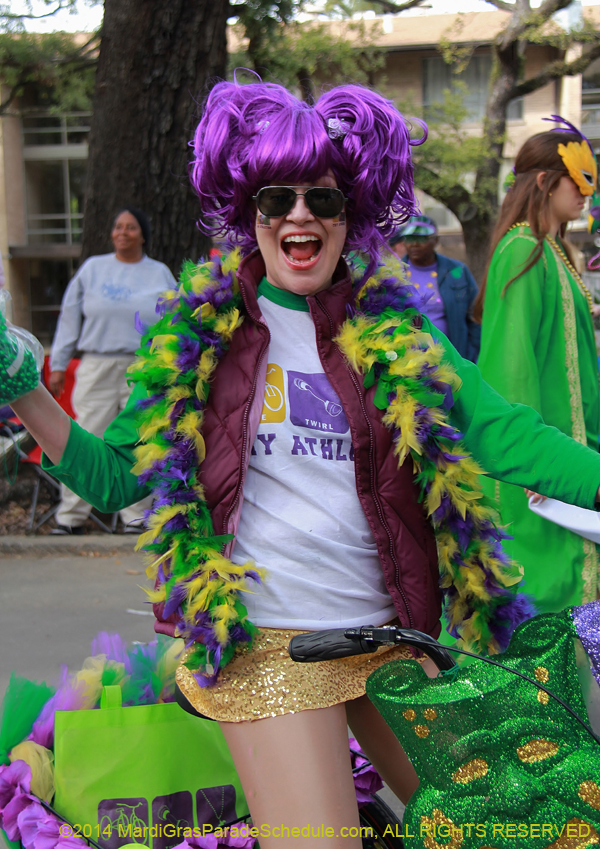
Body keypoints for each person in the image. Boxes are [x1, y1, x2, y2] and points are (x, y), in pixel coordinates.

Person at [5, 81, 600, 846]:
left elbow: (502, 432)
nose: (299, 216)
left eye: (322, 199)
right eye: (275, 199)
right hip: (267, 648)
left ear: (350, 214)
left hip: (390, 638)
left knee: (505, 825)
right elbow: (117, 477)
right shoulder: (198, 339)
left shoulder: (398, 332)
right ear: (247, 214)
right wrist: (23, 390)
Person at [474, 120, 600, 614]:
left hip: (571, 451)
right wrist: (533, 462)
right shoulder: (523, 250)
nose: (588, 193)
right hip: (541, 465)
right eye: (580, 180)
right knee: (546, 599)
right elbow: (511, 366)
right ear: (546, 181)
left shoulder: (552, 250)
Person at [48, 207, 176, 535]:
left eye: (131, 227)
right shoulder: (93, 269)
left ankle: (136, 518)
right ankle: (71, 517)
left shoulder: (159, 272)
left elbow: (176, 319)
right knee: (85, 434)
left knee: (141, 437)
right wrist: (59, 363)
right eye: (118, 227)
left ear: (143, 235)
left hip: (145, 367)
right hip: (97, 363)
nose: (122, 232)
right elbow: (69, 317)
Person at [389, 215, 481, 361]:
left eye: (421, 239)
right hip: (408, 362)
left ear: (435, 240)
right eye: (410, 238)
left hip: (452, 358)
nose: (414, 244)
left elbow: (475, 315)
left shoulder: (456, 271)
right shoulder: (394, 274)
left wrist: (471, 355)